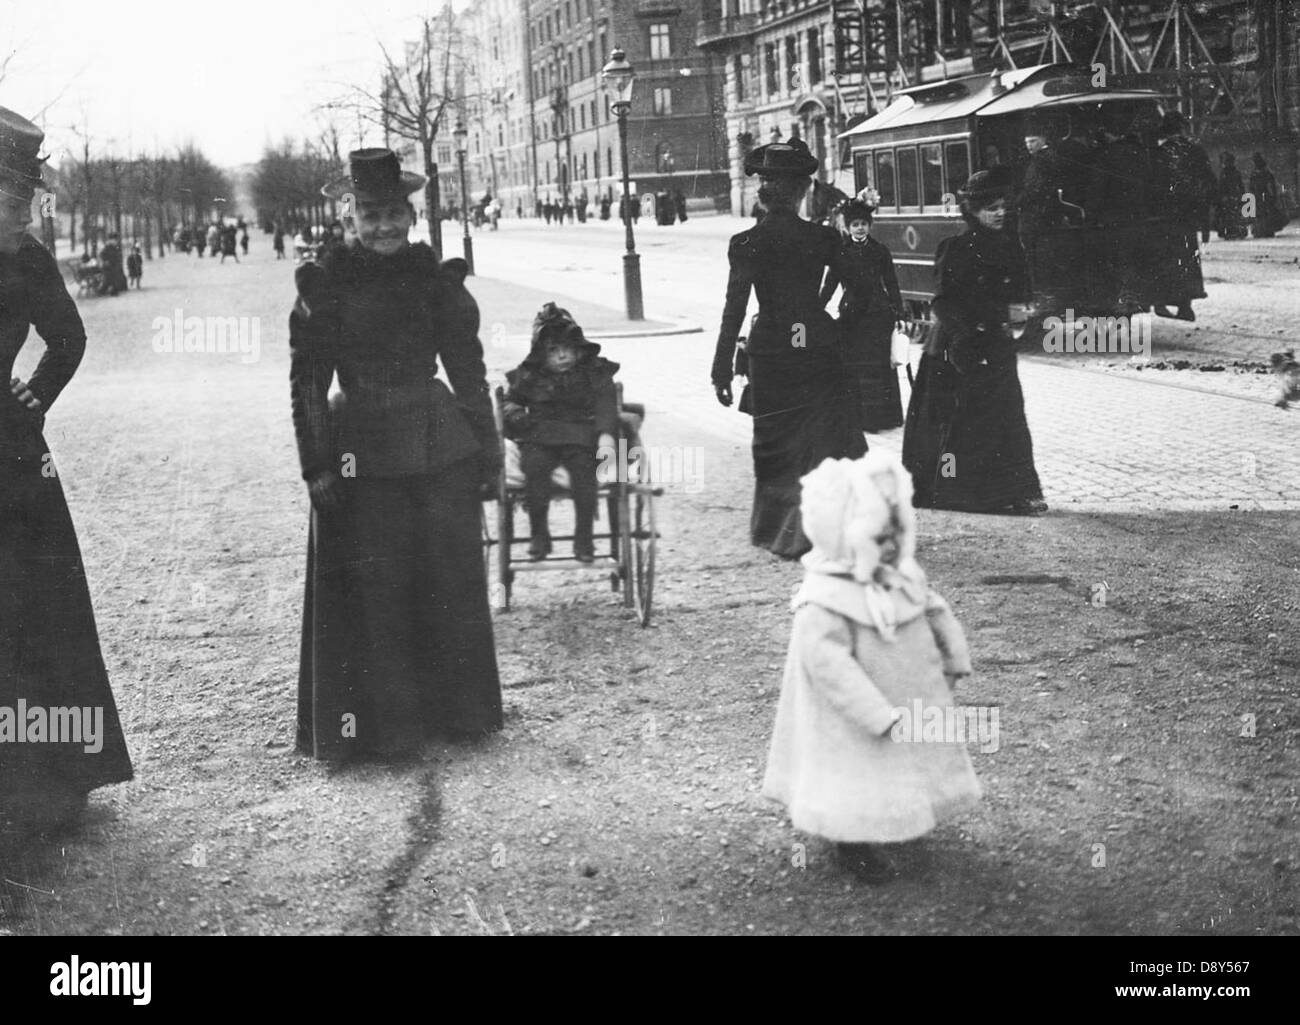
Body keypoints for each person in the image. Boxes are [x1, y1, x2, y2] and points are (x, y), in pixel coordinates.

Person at [289, 148, 503, 760]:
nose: (383, 225)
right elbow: (308, 381)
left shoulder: (434, 279)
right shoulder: (326, 284)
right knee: (375, 584)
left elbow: (468, 368)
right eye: (369, 213)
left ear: (410, 214)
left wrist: (485, 450)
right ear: (350, 215)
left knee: (445, 575)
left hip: (437, 442)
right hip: (360, 448)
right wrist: (317, 463)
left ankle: (457, 714)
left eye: (393, 213)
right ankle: (386, 728)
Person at [0, 106, 134, 836]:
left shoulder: (28, 260)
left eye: (30, 200)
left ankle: (50, 782)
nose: (26, 214)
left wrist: (33, 398)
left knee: (40, 608)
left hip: (13, 460)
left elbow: (69, 337)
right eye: (14, 201)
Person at [761, 453, 981, 882]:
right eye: (880, 537)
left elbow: (932, 609)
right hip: (856, 718)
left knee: (902, 766)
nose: (893, 546)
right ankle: (851, 840)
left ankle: (906, 814)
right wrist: (875, 714)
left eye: (897, 532)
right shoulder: (824, 602)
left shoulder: (896, 575)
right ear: (844, 537)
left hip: (906, 696)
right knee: (855, 775)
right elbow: (829, 666)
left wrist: (954, 654)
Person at [711, 138, 867, 559]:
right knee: (821, 440)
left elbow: (734, 311)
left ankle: (777, 531)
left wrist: (721, 369)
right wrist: (836, 327)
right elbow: (861, 291)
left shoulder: (745, 243)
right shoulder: (824, 240)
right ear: (802, 192)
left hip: (771, 352)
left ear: (762, 193)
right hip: (817, 347)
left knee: (775, 441)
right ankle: (825, 530)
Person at [903, 168, 1045, 515]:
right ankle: (952, 492)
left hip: (995, 346)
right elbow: (944, 302)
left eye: (1001, 206)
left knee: (1006, 418)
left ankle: (1013, 492)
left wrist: (1025, 310)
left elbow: (1020, 293)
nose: (999, 213)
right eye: (990, 208)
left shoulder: (1011, 246)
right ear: (973, 210)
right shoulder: (956, 249)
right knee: (957, 424)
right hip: (957, 347)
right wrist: (984, 325)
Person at [502, 303, 619, 563]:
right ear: (541, 354)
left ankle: (584, 538)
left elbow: (605, 404)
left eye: (567, 349)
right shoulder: (530, 376)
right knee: (534, 467)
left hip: (580, 434)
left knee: (584, 472)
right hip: (539, 435)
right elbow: (511, 401)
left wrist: (605, 436)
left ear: (578, 349)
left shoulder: (593, 373)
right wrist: (516, 414)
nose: (562, 356)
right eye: (553, 351)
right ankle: (539, 535)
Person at [818, 199, 905, 433]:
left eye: (864, 224)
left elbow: (891, 283)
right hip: (852, 316)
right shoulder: (840, 253)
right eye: (855, 224)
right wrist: (817, 309)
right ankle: (860, 418)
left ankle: (883, 417)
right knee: (855, 366)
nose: (860, 228)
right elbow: (830, 285)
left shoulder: (880, 250)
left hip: (878, 315)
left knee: (879, 366)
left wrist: (900, 312)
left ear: (870, 226)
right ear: (847, 227)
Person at [1150, 112, 1215, 321]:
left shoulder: (1158, 152)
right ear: (1182, 128)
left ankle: (1160, 301)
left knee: (1163, 258)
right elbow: (1209, 181)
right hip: (1188, 215)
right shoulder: (1194, 150)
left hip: (1161, 216)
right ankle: (1185, 306)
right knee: (1187, 257)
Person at [1248, 152, 1282, 239]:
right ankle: (1264, 230)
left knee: (1263, 214)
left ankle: (1263, 231)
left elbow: (1271, 184)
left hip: (1261, 196)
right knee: (1264, 214)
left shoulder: (1260, 172)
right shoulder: (1263, 172)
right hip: (1262, 196)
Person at [1216, 152, 1247, 239]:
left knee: (1232, 215)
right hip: (1230, 197)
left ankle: (1233, 232)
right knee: (1231, 215)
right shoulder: (1229, 172)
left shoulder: (1229, 173)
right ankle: (1231, 232)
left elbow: (1239, 185)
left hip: (1231, 197)